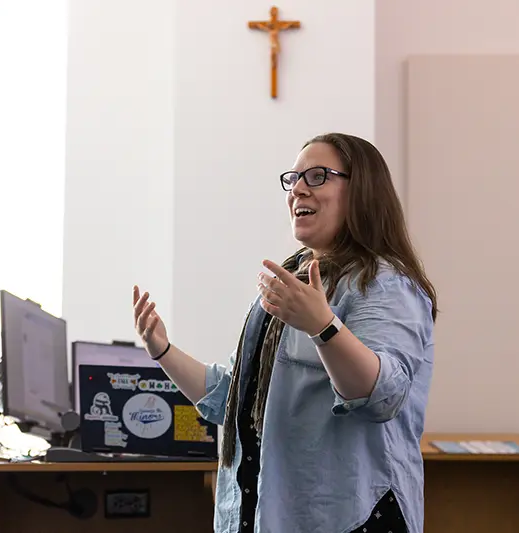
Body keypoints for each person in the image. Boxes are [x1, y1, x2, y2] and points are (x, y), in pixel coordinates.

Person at [132, 133, 437, 533]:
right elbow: (233, 396)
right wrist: (162, 350)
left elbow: (382, 395)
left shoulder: (384, 284)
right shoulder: (290, 284)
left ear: (361, 191)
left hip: (349, 518)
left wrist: (323, 328)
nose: (298, 189)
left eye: (317, 176)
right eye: (293, 179)